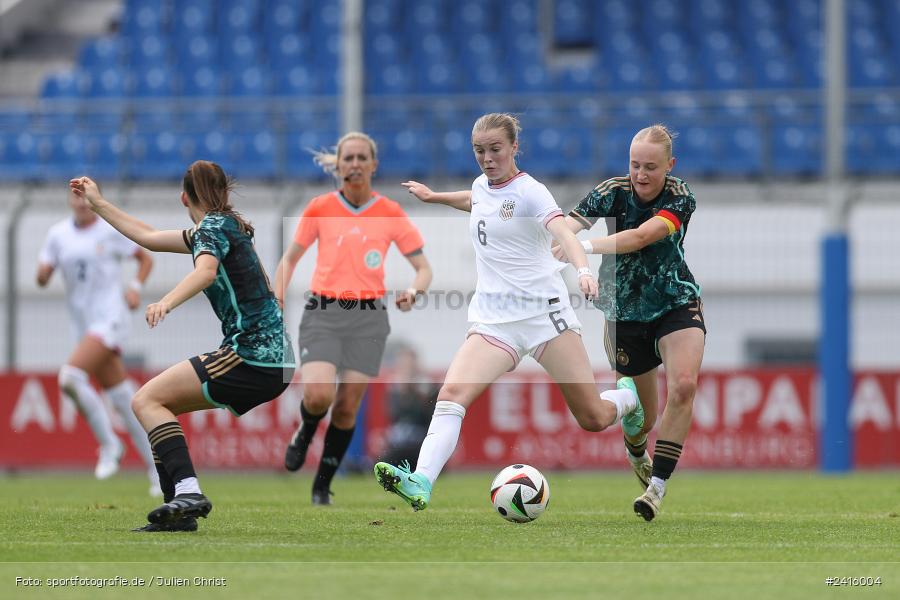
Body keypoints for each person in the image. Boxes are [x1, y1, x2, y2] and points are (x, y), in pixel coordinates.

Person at [373, 113, 644, 511]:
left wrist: (583, 270)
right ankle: (421, 481)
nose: (487, 158)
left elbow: (564, 231)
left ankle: (626, 400)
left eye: (495, 149)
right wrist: (435, 198)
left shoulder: (532, 192)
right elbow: (475, 200)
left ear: (515, 147)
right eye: (479, 151)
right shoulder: (481, 186)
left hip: (545, 318)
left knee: (591, 417)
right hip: (494, 321)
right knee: (451, 395)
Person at [68, 160, 295, 532]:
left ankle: (187, 493)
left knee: (145, 400)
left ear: (183, 197)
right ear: (224, 192)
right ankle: (178, 510)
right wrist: (99, 204)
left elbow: (204, 273)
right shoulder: (226, 226)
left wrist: (165, 302)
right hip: (274, 357)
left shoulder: (211, 228)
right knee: (158, 404)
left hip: (255, 353)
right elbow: (148, 237)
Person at [554, 124, 705, 522]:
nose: (640, 174)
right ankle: (636, 450)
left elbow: (641, 237)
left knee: (685, 386)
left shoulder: (681, 196)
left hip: (675, 302)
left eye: (651, 167)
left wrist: (583, 247)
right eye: (635, 164)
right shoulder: (612, 190)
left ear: (670, 166)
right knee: (643, 418)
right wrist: (560, 242)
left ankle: (656, 489)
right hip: (622, 314)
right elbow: (569, 224)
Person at [274, 131, 432, 506]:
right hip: (324, 311)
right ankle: (306, 429)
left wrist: (414, 290)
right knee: (318, 394)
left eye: (363, 158)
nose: (356, 164)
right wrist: (277, 296)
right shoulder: (319, 207)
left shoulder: (390, 212)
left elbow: (423, 268)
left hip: (368, 317)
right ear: (339, 165)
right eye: (349, 158)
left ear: (373, 165)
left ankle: (322, 484)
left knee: (346, 406)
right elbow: (289, 259)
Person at [37, 186, 161, 495]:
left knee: (69, 378)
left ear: (95, 200)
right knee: (124, 398)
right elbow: (42, 275)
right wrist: (42, 273)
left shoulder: (109, 231)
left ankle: (110, 445)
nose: (79, 202)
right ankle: (159, 472)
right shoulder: (58, 234)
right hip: (83, 327)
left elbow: (145, 259)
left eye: (85, 196)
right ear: (69, 200)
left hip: (111, 319)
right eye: (74, 196)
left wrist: (134, 287)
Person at [380, 345, 438, 471]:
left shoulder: (427, 387)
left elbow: (429, 418)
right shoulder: (395, 389)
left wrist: (419, 395)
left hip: (420, 443)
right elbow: (393, 415)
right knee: (388, 458)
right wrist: (403, 394)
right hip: (399, 442)